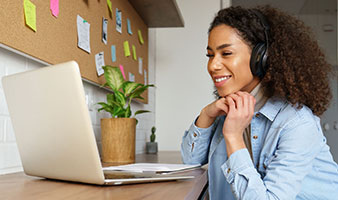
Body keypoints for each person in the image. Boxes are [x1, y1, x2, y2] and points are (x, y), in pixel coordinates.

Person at [181, 5, 338, 200]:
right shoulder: (229, 109)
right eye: (210, 55)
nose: (213, 65)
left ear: (260, 57)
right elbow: (190, 161)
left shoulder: (297, 123)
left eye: (226, 53)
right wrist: (206, 115)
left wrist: (233, 137)